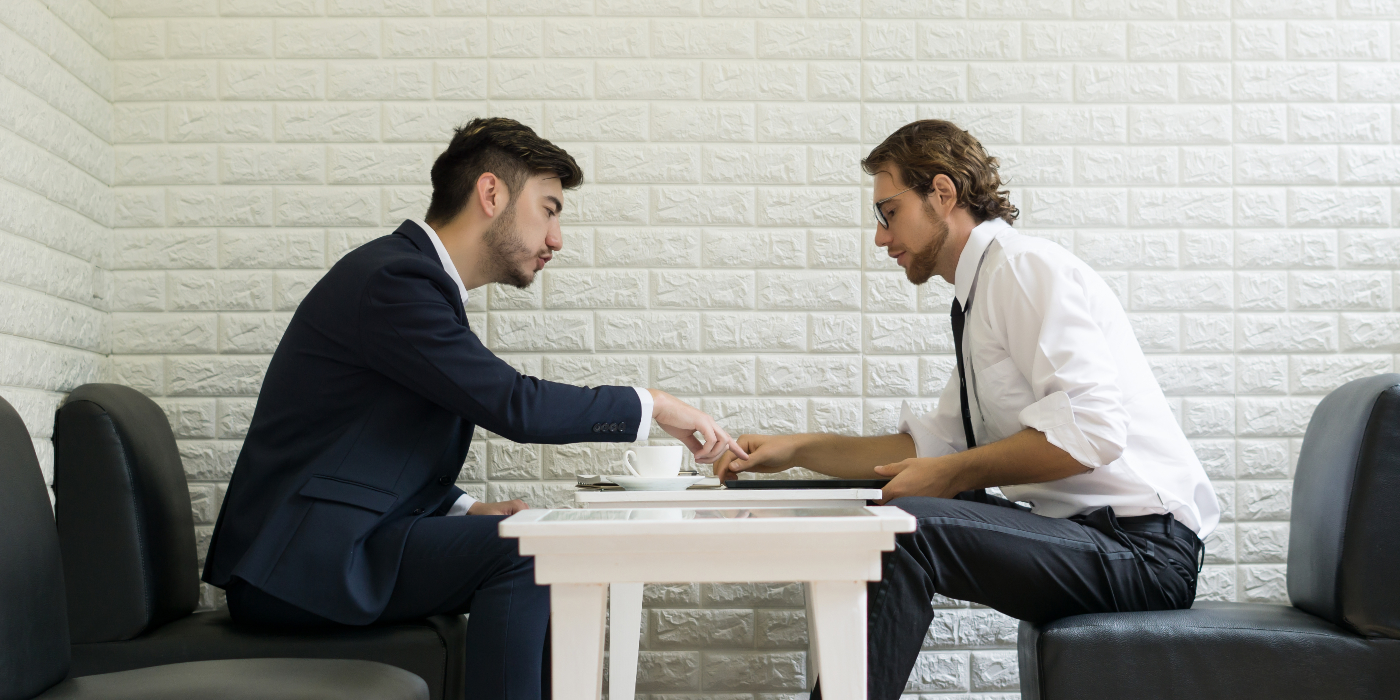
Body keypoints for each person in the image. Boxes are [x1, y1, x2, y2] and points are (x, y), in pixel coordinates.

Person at [202, 117, 746, 700]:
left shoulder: (407, 281)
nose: (557, 239)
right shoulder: (395, 280)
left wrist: (463, 509)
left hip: (335, 544)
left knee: (540, 544)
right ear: (492, 194)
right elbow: (513, 405)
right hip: (302, 563)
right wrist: (653, 405)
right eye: (550, 209)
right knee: (530, 553)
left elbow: (364, 441)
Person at [714, 120, 1218, 700]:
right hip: (1095, 539)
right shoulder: (980, 298)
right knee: (901, 516)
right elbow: (931, 450)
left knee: (907, 532)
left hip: (1145, 554)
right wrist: (796, 450)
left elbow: (1093, 431)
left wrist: (951, 475)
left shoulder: (1023, 271)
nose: (881, 238)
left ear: (943, 194)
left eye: (888, 212)